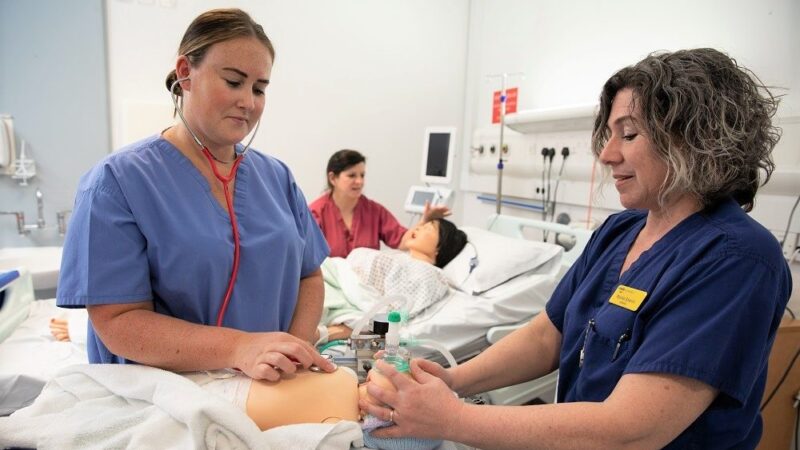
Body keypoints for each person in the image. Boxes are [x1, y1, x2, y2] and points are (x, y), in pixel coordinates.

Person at [359, 48, 792, 449]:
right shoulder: (619, 232)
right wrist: (453, 379)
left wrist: (453, 420)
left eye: (629, 134)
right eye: (607, 135)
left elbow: (633, 432)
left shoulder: (736, 259)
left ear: (695, 137)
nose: (606, 155)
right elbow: (547, 335)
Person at [55, 8, 334, 380]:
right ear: (185, 73)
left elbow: (309, 277)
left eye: (259, 88)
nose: (248, 102)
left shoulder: (277, 177)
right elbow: (117, 322)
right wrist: (239, 348)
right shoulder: (116, 182)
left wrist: (291, 351)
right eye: (234, 82)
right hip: (166, 392)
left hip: (271, 382)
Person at [318, 218, 468, 343]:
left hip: (342, 291)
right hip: (334, 271)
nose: (417, 228)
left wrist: (327, 333)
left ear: (440, 246)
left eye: (428, 228)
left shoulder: (429, 275)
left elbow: (391, 314)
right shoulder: (401, 257)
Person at [309, 149, 451, 258]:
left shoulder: (374, 212)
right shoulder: (316, 213)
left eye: (362, 175)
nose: (359, 181)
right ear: (333, 178)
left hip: (367, 290)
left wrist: (425, 220)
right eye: (352, 175)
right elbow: (307, 258)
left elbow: (402, 241)